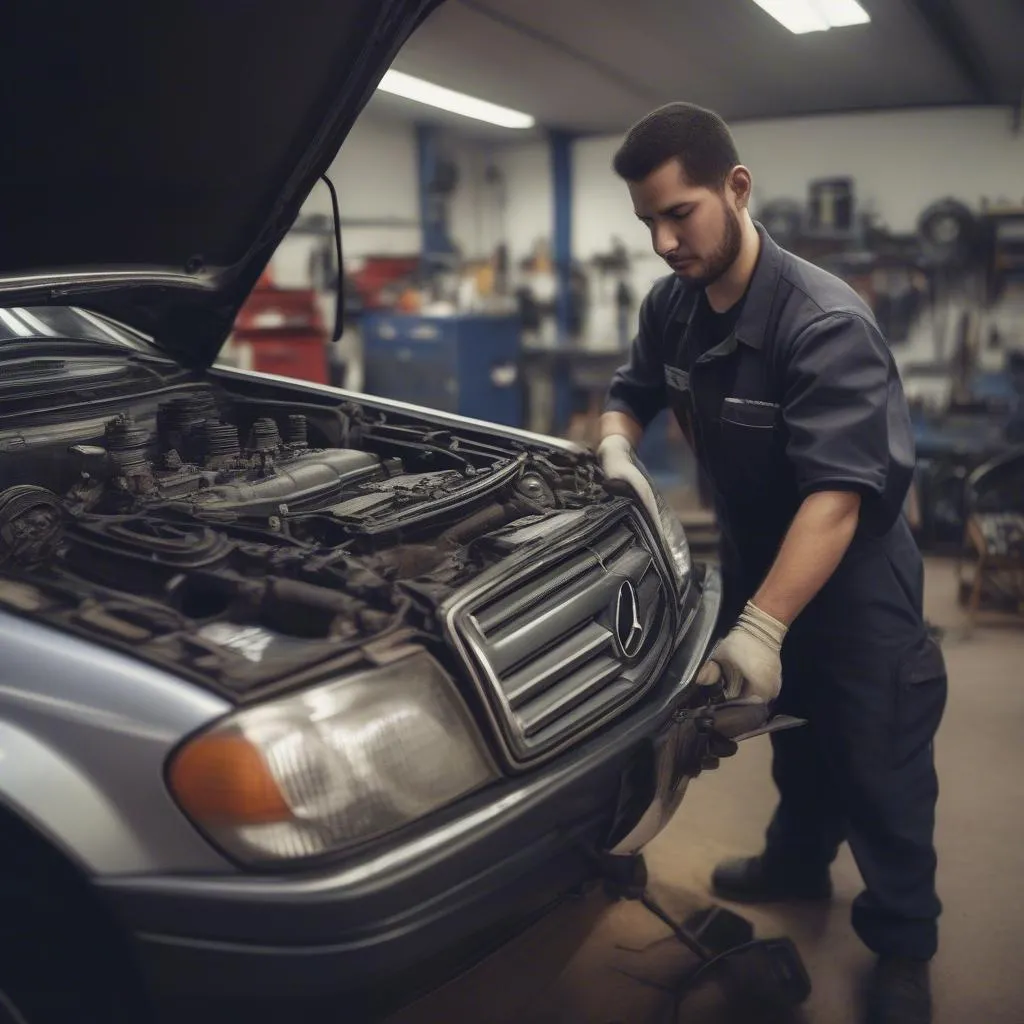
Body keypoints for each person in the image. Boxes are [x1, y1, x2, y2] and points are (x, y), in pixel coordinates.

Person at [598, 103, 947, 1024]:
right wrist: (613, 439)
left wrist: (761, 627)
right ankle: (797, 859)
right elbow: (631, 389)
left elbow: (836, 498)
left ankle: (904, 943)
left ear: (736, 189)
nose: (666, 241)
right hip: (758, 556)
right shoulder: (670, 308)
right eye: (649, 223)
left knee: (878, 759)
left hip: (855, 580)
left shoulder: (823, 322)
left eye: (682, 214)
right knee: (793, 732)